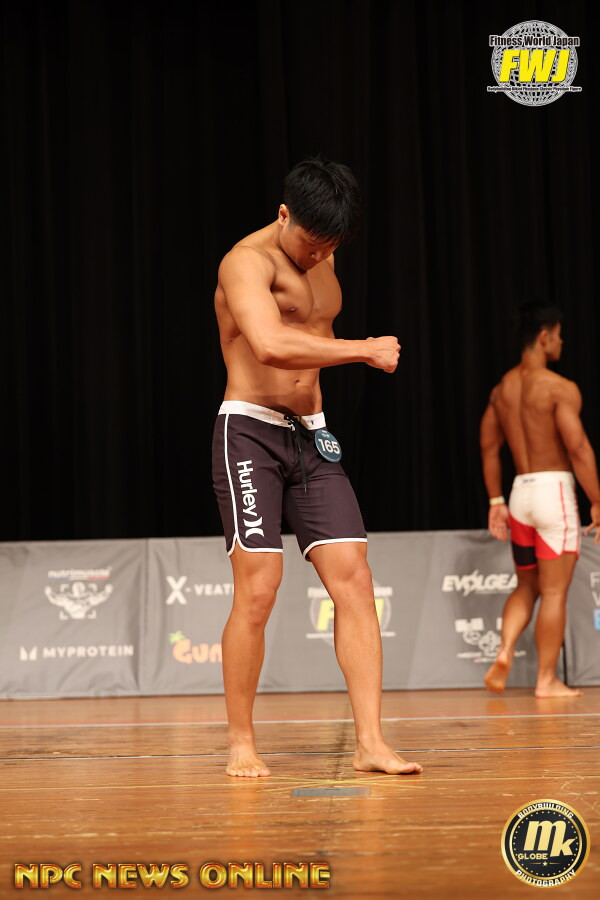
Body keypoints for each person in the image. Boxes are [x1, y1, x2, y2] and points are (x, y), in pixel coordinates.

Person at [212, 157, 422, 777]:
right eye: (310, 242)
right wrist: (363, 350)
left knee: (355, 580)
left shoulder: (324, 258)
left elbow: (310, 334)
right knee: (259, 589)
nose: (319, 255)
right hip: (250, 432)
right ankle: (241, 742)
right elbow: (270, 343)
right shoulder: (244, 262)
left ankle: (370, 743)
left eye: (330, 245)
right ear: (283, 215)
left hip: (312, 436)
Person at [480, 303, 600, 697]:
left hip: (520, 495)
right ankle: (546, 680)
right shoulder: (558, 387)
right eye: (560, 335)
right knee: (553, 592)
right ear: (544, 337)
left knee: (526, 585)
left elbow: (489, 448)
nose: (563, 342)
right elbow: (578, 447)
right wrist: (597, 499)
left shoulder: (502, 389)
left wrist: (495, 500)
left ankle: (505, 649)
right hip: (554, 494)